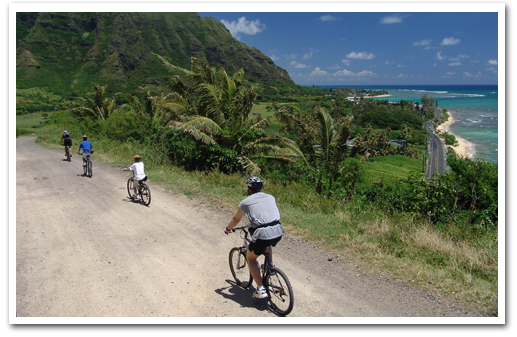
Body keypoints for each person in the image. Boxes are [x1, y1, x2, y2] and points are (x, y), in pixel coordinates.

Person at [224, 176, 284, 299]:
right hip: (278, 230)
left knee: (251, 259)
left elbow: (236, 218)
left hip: (262, 233)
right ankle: (270, 266)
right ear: (261, 187)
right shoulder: (270, 197)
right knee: (267, 244)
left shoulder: (245, 202)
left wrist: (228, 229)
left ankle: (261, 290)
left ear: (248, 188)